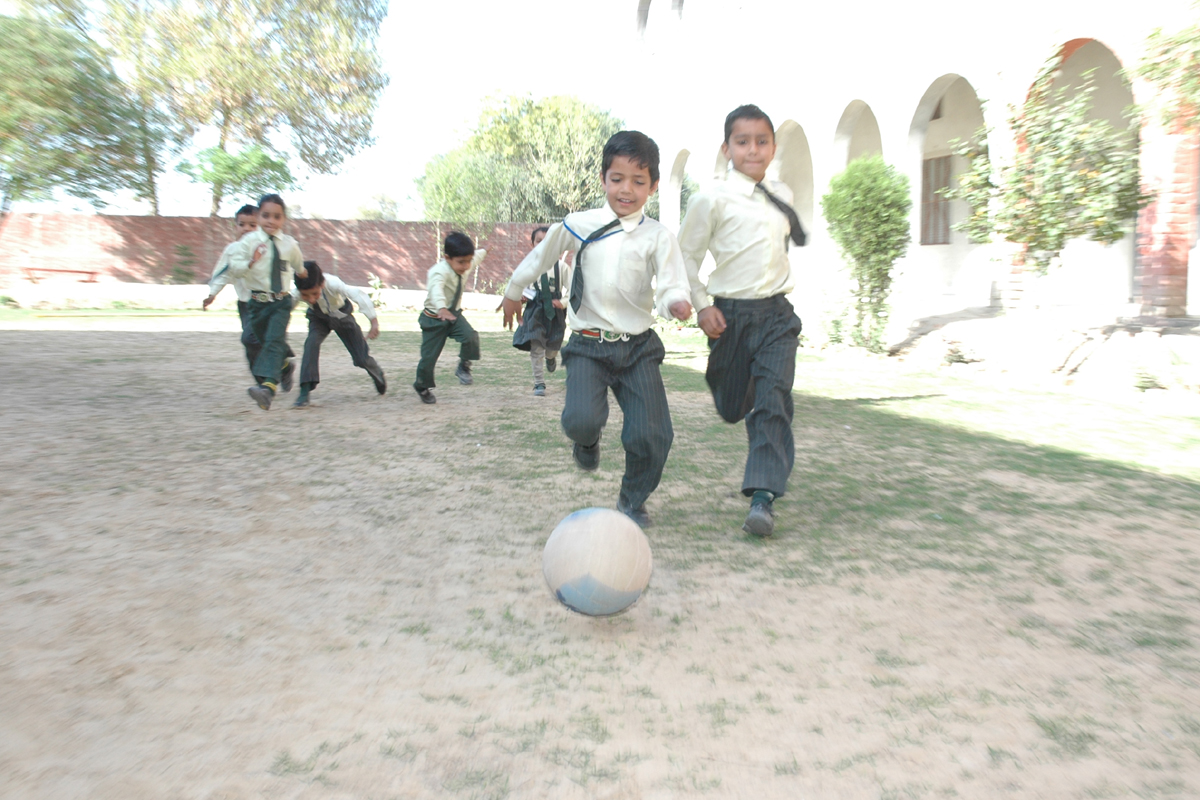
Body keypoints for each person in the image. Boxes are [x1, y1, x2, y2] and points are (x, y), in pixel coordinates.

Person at [501, 131, 693, 528]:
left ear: (653, 186)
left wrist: (676, 302)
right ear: (604, 178)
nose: (627, 189)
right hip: (588, 345)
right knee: (580, 419)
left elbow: (673, 280)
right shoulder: (579, 224)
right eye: (618, 178)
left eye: (639, 182)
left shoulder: (659, 236)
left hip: (637, 347)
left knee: (653, 435)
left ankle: (632, 498)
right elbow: (544, 254)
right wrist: (514, 289)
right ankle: (586, 441)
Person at [677, 104, 808, 537]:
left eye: (762, 141)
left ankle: (763, 498)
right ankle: (737, 393)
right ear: (727, 148)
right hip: (730, 318)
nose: (754, 149)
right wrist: (701, 306)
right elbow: (686, 259)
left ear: (772, 146)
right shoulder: (709, 199)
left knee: (773, 400)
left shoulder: (782, 195)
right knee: (733, 405)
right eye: (743, 141)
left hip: (776, 316)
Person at [227, 193, 307, 410]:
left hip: (280, 302)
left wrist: (303, 275)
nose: (271, 221)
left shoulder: (289, 244)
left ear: (284, 220)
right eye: (266, 215)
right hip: (256, 303)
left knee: (273, 341)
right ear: (259, 216)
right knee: (263, 342)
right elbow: (235, 268)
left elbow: (299, 266)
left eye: (277, 217)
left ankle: (267, 389)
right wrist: (251, 262)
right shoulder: (248, 243)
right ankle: (284, 366)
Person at [202, 204, 295, 386]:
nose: (246, 229)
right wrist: (212, 293)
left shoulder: (271, 247)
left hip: (272, 302)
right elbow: (223, 274)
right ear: (235, 227)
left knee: (259, 339)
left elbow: (285, 271)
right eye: (241, 224)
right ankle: (268, 377)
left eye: (252, 225)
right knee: (252, 341)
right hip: (247, 305)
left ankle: (280, 369)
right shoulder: (233, 250)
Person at [291, 261, 385, 408]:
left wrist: (373, 322)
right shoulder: (297, 292)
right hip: (318, 318)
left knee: (361, 358)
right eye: (305, 296)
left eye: (315, 294)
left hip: (342, 315)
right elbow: (286, 307)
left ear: (321, 284)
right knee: (311, 343)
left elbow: (358, 296)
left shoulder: (333, 283)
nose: (311, 299)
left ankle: (376, 372)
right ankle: (305, 391)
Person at [413, 233, 486, 404]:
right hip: (434, 319)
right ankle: (422, 386)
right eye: (461, 262)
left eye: (469, 261)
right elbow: (436, 290)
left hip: (454, 315)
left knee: (471, 336)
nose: (466, 266)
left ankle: (463, 366)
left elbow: (478, 256)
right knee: (428, 358)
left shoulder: (466, 264)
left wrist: (486, 250)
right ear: (447, 258)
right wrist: (442, 308)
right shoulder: (438, 272)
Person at [511, 225, 569, 396]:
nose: (543, 245)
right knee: (536, 346)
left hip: (554, 310)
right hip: (534, 310)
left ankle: (551, 357)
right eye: (539, 241)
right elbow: (518, 286)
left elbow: (573, 289)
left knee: (553, 345)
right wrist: (520, 297)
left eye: (548, 241)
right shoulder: (527, 266)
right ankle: (539, 383)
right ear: (533, 244)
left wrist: (563, 302)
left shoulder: (562, 267)